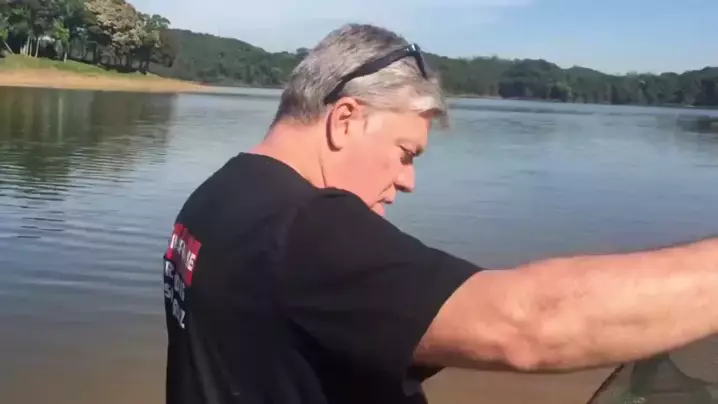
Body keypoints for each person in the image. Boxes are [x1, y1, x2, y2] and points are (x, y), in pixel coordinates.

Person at [162, 23, 718, 404]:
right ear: (346, 119)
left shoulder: (221, 193)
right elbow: (529, 325)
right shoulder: (305, 229)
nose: (408, 180)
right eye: (405, 153)